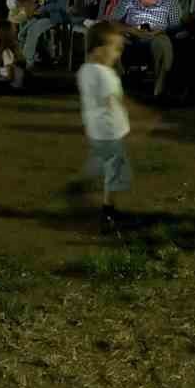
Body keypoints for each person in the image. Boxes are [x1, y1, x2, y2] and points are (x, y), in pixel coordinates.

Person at [76, 21, 133, 233]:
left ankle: (91, 177)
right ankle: (108, 211)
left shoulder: (84, 70)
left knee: (104, 159)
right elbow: (112, 101)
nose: (117, 54)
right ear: (99, 49)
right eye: (116, 48)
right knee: (116, 171)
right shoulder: (105, 74)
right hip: (111, 131)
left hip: (95, 130)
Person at [110, 0, 181, 98]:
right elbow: (113, 20)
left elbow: (176, 26)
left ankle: (159, 88)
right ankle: (117, 83)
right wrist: (131, 30)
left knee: (162, 43)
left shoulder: (171, 1)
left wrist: (159, 30)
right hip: (131, 35)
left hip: (157, 35)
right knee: (113, 39)